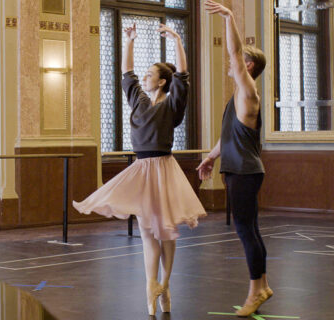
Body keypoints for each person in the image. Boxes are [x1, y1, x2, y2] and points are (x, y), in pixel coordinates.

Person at [73, 22, 206, 316]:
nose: (144, 78)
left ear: (161, 82)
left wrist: (178, 39)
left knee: (166, 231)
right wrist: (129, 40)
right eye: (144, 74)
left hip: (163, 167)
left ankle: (166, 284)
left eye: (150, 75)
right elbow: (127, 73)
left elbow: (183, 75)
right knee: (147, 230)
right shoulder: (137, 99)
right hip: (142, 167)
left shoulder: (173, 104)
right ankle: (151, 285)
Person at [197, 0, 272, 317]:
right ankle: (263, 286)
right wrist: (211, 157)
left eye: (241, 61)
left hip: (244, 172)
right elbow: (228, 136)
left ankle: (255, 292)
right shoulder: (237, 98)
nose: (233, 63)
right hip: (238, 169)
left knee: (245, 231)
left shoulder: (248, 91)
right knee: (249, 229)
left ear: (249, 66)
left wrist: (229, 17)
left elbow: (234, 53)